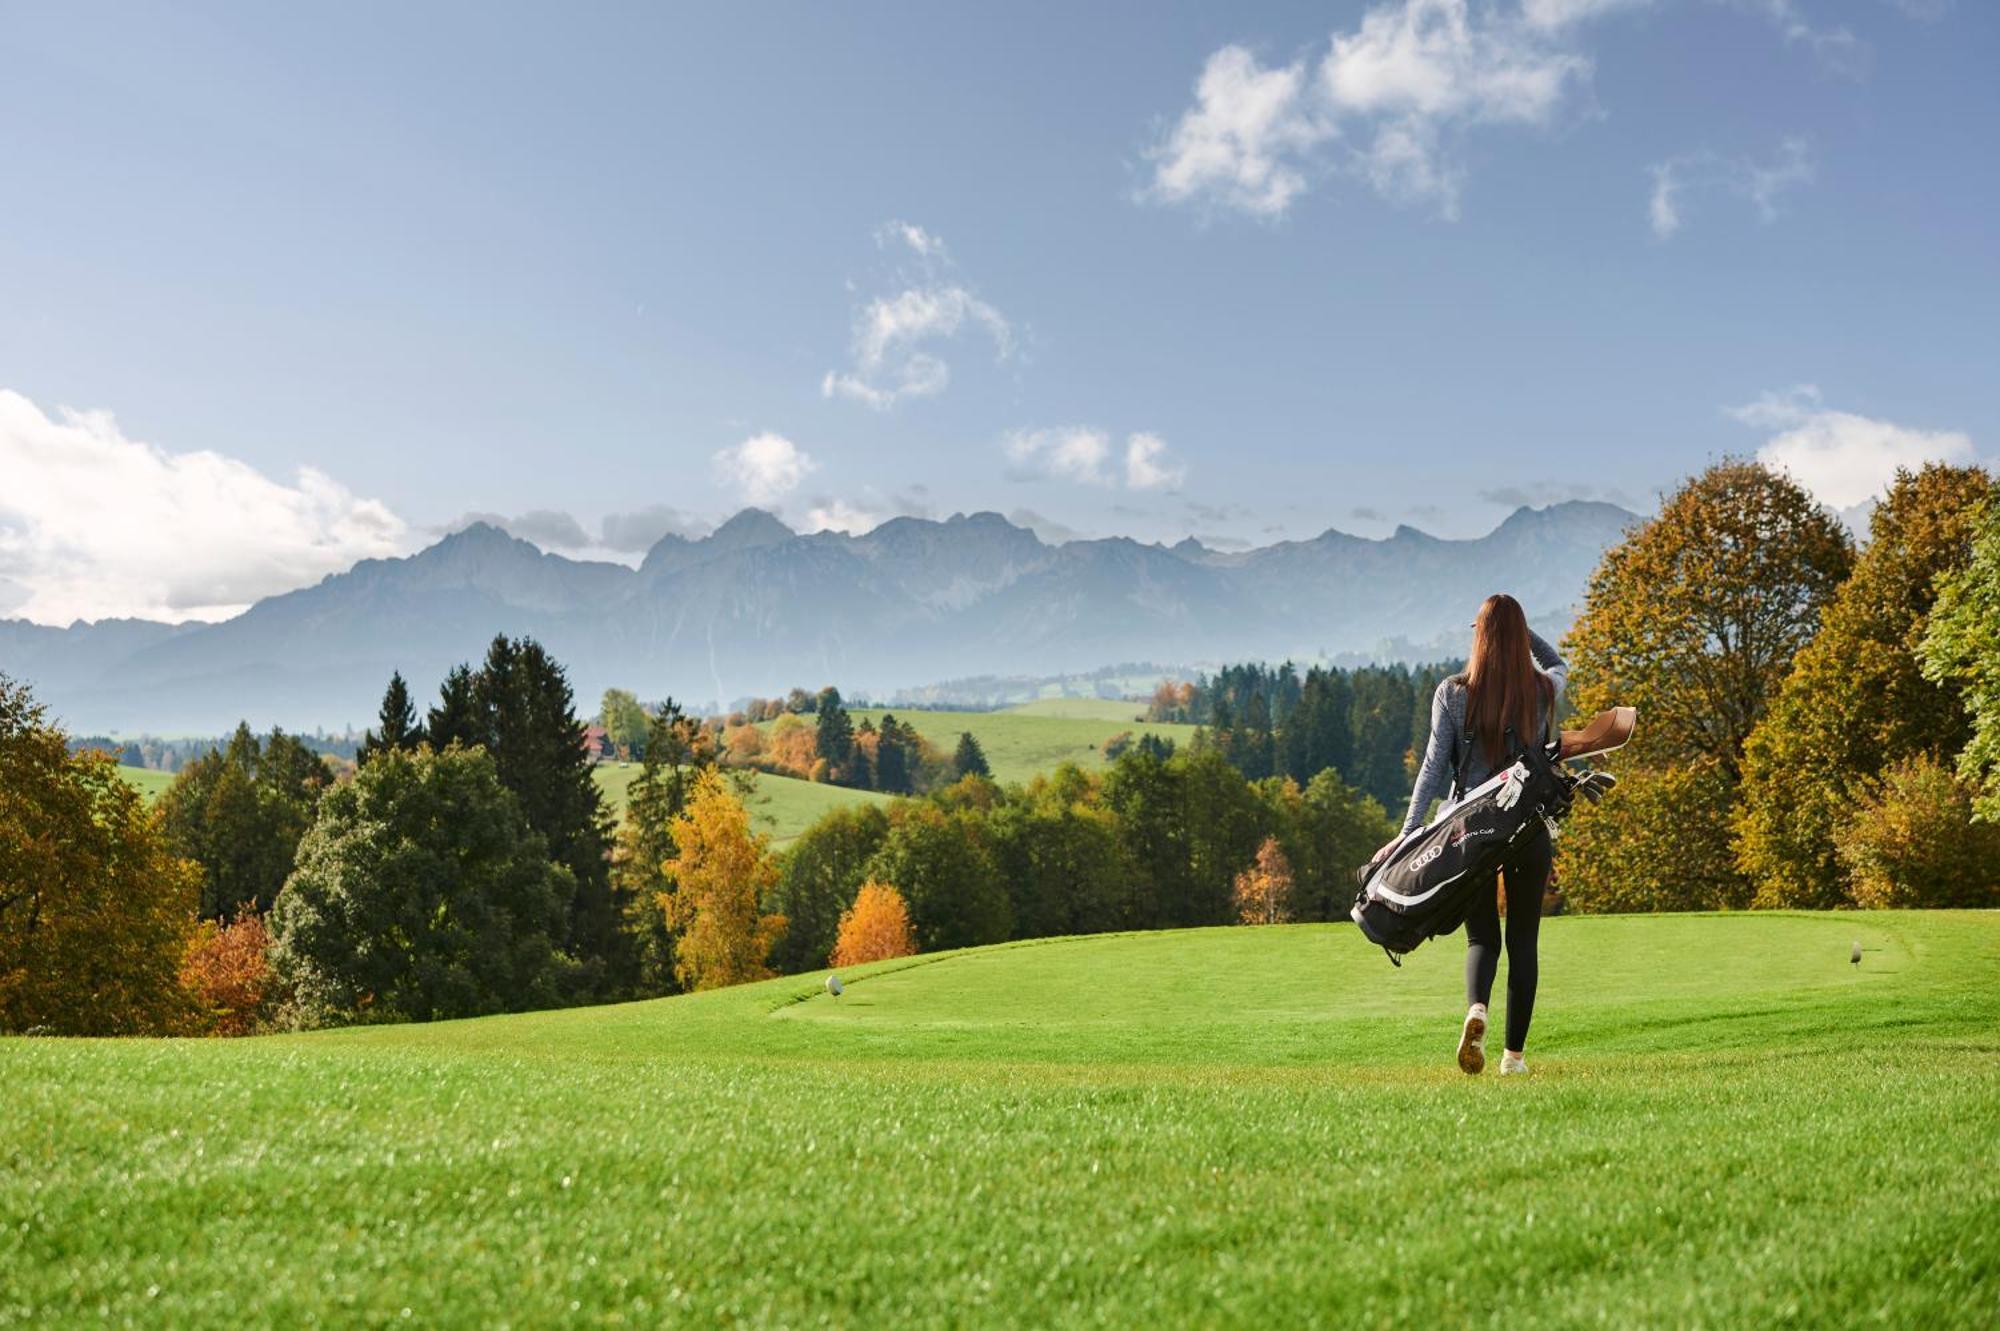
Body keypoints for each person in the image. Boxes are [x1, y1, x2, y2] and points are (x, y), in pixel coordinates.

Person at [1381, 593, 1567, 1077]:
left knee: (1482, 938)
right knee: (1524, 940)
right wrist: (1521, 635)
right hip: (1526, 826)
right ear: (1519, 636)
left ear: (1479, 636)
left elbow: (1431, 770)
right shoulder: (1542, 690)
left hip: (1470, 831)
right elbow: (1558, 662)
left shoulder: (1453, 692)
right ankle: (1513, 1058)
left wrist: (1408, 833)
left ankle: (1476, 1011)